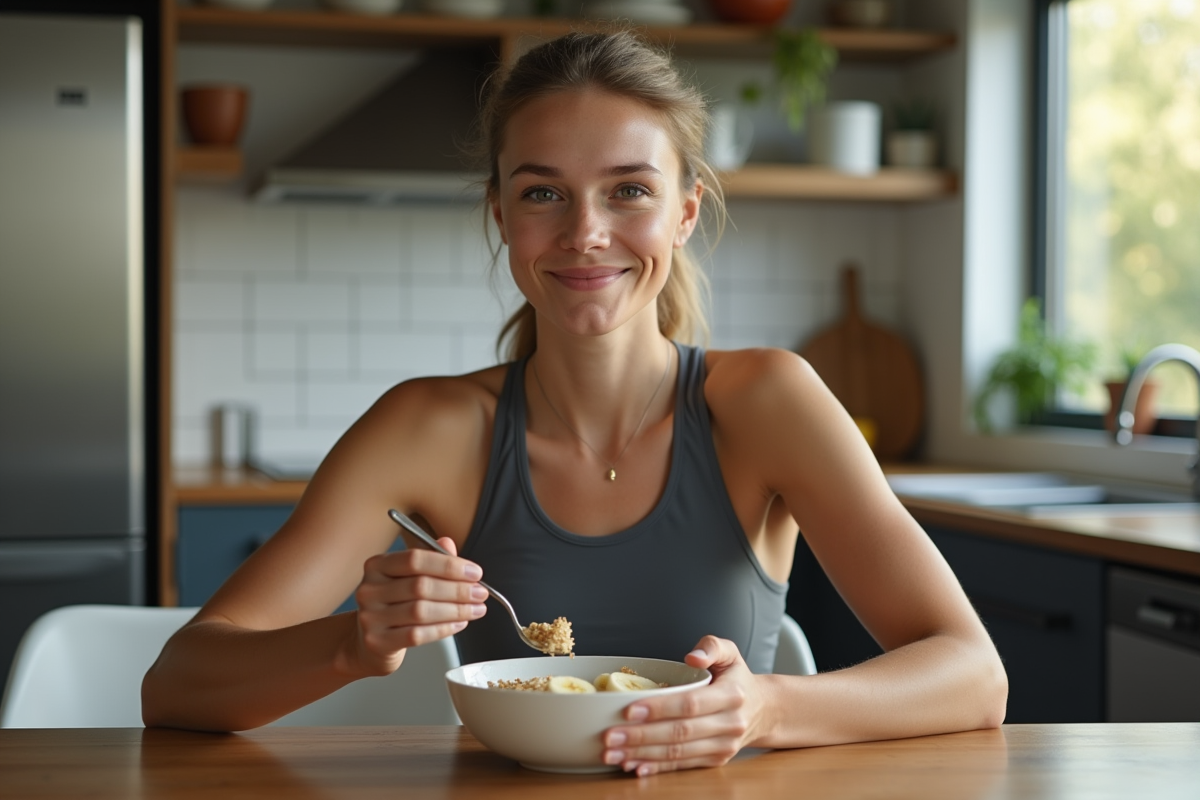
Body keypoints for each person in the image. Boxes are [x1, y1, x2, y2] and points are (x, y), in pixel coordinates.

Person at [143, 30, 1006, 775]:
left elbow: (974, 673)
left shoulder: (769, 400)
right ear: (501, 217)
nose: (584, 231)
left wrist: (767, 709)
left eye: (629, 189)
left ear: (684, 214)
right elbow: (177, 685)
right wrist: (351, 644)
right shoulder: (425, 428)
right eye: (543, 192)